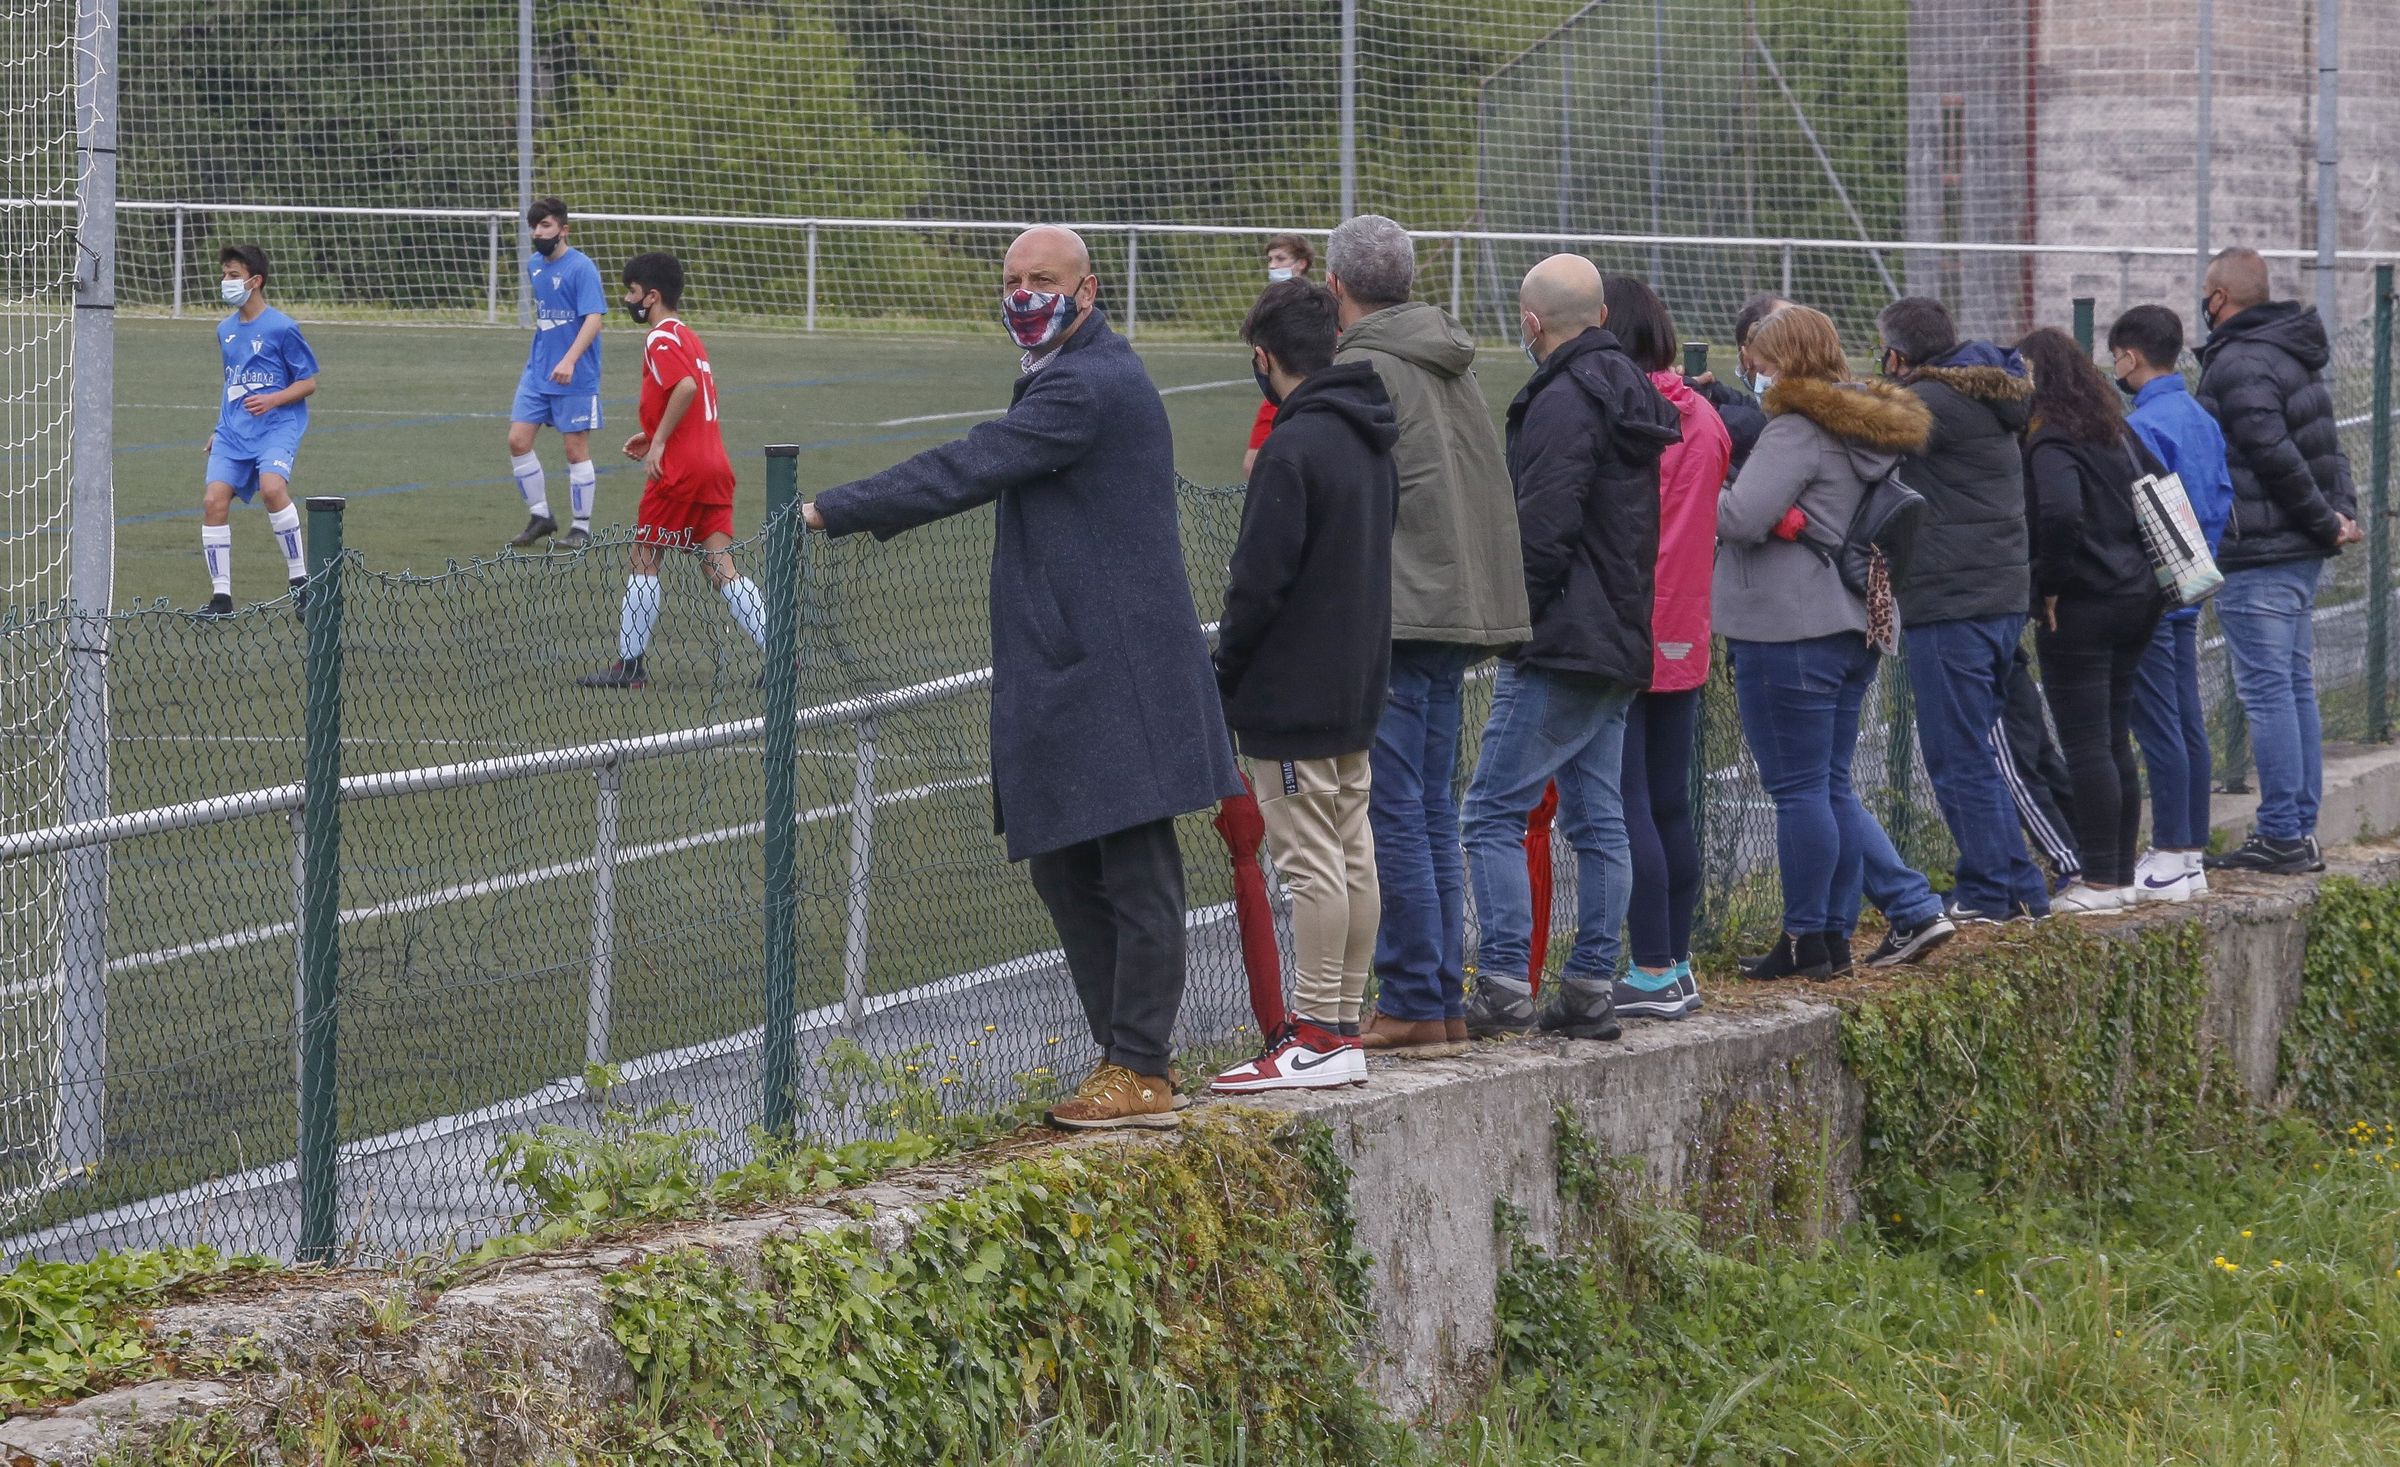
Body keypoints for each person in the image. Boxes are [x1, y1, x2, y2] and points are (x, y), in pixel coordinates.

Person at [803, 226, 1242, 1129]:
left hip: (1119, 668)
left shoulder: (1086, 383)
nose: (1023, 294)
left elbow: (968, 464)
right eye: (1011, 279)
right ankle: (1123, 1055)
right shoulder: (1071, 374)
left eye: (1043, 280)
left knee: (1132, 862)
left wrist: (828, 509)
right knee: (1064, 862)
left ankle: (1142, 1063)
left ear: (1086, 293)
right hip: (1079, 665)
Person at [1325, 214, 1530, 1058]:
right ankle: (1437, 999)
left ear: (1335, 286)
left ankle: (1413, 995)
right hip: (1459, 608)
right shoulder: (1452, 363)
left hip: (1404, 611)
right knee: (1433, 810)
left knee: (1399, 812)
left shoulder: (1364, 365)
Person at [1458, 255, 1677, 1040]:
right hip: (1618, 632)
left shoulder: (1563, 398)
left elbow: (1544, 528)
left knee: (1489, 810)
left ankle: (1504, 982)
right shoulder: (1630, 390)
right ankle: (1589, 986)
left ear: (1530, 323)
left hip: (1562, 640)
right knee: (1597, 819)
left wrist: (1514, 623)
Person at [1714, 305, 1955, 979]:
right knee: (1827, 784)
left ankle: (1801, 936)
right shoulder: (1859, 424)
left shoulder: (1796, 430)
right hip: (1854, 621)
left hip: (1790, 625)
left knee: (1797, 789)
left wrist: (1699, 487)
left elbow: (1740, 516)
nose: (1752, 372)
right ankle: (1830, 937)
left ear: (1783, 360)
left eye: (1759, 360)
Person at [1207, 279, 1399, 1092]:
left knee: (1314, 862)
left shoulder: (1294, 445)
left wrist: (1224, 674)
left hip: (1294, 693)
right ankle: (1342, 1024)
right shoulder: (1370, 434)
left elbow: (1259, 584)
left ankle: (1318, 1030)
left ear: (1265, 358)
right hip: (1357, 682)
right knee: (1352, 852)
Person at [1875, 297, 2051, 924]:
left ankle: (1987, 892)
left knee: (1956, 755)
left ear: (1898, 356)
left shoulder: (1930, 405)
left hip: (1953, 603)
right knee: (1972, 747)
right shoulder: (1984, 396)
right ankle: (2018, 887)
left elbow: (1852, 417)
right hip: (1996, 598)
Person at [2195, 246, 2361, 875]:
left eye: (2205, 293)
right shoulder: (2294, 353)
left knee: (2269, 692)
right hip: (2300, 551)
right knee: (2293, 687)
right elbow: (2329, 446)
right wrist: (2338, 516)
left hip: (2263, 552)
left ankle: (2284, 834)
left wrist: (2323, 519)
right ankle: (2299, 829)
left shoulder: (2238, 361)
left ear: (2220, 297)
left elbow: (2275, 454)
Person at [1599, 274, 1730, 1019]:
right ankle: (1674, 961)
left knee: (1629, 804)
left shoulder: (1626, 411)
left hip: (1629, 621)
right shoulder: (1705, 416)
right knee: (1669, 802)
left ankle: (1649, 964)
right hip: (1687, 624)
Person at [2016, 327, 2171, 912]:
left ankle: (2101, 881)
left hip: (2082, 603)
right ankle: (2121, 871)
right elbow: (2158, 486)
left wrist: (2048, 584)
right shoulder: (2116, 428)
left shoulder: (2051, 438)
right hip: (2140, 597)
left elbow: (2058, 512)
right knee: (2112, 737)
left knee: (2084, 742)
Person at [575, 254, 769, 689]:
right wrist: (653, 432)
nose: (627, 299)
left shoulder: (659, 338)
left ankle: (630, 666)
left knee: (644, 558)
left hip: (679, 471)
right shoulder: (690, 337)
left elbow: (685, 387)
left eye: (631, 291)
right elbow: (691, 399)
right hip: (714, 465)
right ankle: (780, 653)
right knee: (721, 566)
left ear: (652, 295)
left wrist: (659, 442)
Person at [2110, 304, 2234, 902]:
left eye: (2115, 357)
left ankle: (2167, 853)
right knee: (2186, 722)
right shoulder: (2201, 418)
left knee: (2159, 725)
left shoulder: (2143, 425)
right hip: (2194, 583)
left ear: (2129, 356)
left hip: (2153, 593)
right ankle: (2189, 854)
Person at [199, 244, 319, 616]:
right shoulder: (225, 330)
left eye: (233, 275)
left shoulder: (283, 327)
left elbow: (308, 382)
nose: (226, 282)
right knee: (213, 502)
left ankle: (300, 582)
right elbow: (231, 384)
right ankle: (221, 598)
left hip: (276, 427)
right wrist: (220, 429)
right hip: (234, 432)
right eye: (224, 275)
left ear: (255, 281)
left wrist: (273, 399)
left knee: (272, 489)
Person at [506, 198, 609, 551]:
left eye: (545, 226)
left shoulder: (582, 268)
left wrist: (568, 360)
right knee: (518, 441)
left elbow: (594, 318)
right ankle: (541, 516)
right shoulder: (534, 264)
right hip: (537, 373)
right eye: (533, 226)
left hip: (575, 375)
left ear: (563, 230)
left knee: (574, 451)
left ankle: (581, 527)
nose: (538, 233)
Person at [1240, 233, 1317, 478]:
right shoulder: (1270, 302)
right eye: (1270, 259)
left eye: (1280, 258)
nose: (1273, 265)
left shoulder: (1318, 304)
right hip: (1277, 394)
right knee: (1253, 463)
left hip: (1308, 391)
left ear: (1301, 263)